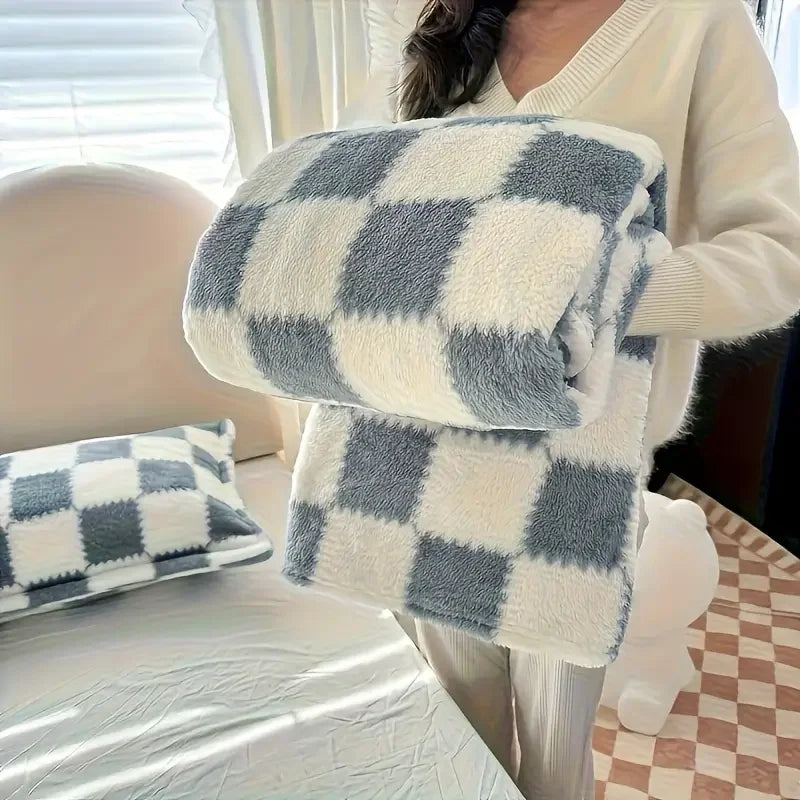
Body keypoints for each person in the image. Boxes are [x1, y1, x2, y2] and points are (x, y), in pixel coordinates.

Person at [347, 1, 800, 797]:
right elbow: (386, 217)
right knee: (458, 736)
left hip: (581, 471)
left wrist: (588, 296)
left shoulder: (693, 22)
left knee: (556, 760)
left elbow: (776, 257)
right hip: (423, 445)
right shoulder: (441, 20)